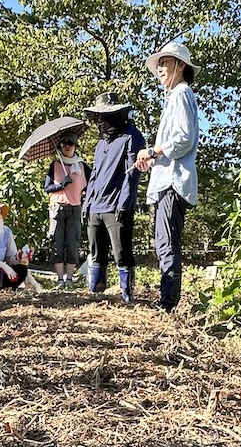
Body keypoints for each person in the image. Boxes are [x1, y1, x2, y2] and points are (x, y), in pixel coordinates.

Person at [136, 41, 200, 311]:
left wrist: (152, 149)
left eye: (165, 62)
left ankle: (167, 305)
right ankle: (167, 301)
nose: (160, 68)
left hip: (174, 181)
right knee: (163, 242)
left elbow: (184, 138)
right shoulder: (174, 97)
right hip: (166, 180)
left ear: (180, 65)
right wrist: (151, 157)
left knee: (166, 244)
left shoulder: (182, 93)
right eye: (159, 63)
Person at [80, 91, 145, 304]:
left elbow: (132, 172)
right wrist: (87, 204)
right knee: (96, 254)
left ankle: (127, 296)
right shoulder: (101, 144)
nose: (101, 121)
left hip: (116, 207)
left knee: (122, 253)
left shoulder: (132, 136)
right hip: (95, 207)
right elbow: (95, 175)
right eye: (98, 117)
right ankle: (96, 296)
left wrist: (125, 203)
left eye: (104, 116)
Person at [43, 134, 87, 289]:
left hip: (75, 208)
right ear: (60, 147)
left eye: (70, 143)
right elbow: (47, 188)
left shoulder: (82, 166)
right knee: (58, 243)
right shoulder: (55, 165)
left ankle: (70, 279)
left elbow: (92, 185)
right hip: (58, 208)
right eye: (64, 144)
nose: (67, 146)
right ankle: (59, 279)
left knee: (73, 243)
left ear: (75, 146)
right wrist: (61, 185)